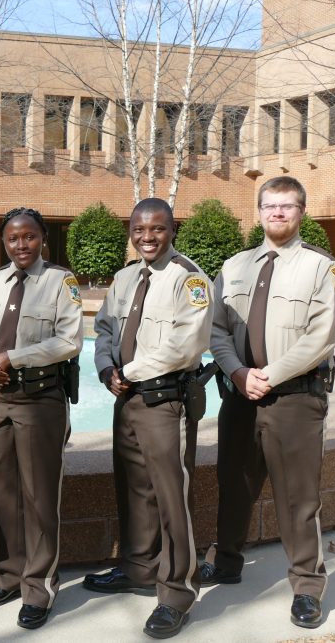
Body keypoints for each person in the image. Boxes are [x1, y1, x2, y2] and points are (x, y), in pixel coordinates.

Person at [200, 176, 335, 629]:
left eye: (287, 206)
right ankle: (226, 562)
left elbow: (322, 336)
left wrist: (269, 375)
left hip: (296, 400)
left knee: (298, 497)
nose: (277, 213)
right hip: (241, 396)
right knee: (234, 483)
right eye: (270, 206)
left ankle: (307, 586)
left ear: (302, 212)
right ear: (258, 211)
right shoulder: (235, 265)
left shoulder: (323, 269)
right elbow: (216, 328)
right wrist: (237, 372)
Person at [85, 198, 212, 639]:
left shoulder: (189, 278)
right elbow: (103, 329)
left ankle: (177, 592)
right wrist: (106, 369)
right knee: (134, 490)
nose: (147, 237)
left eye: (156, 229)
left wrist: (129, 372)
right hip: (127, 400)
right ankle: (139, 569)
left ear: (173, 228)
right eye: (139, 229)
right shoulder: (123, 278)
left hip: (164, 402)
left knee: (171, 498)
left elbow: (187, 344)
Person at [0, 207, 84, 630]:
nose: (21, 245)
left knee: (39, 495)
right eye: (13, 238)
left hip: (39, 399)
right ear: (4, 241)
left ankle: (39, 586)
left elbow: (69, 341)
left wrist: (11, 356)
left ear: (42, 238)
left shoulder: (60, 282)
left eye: (29, 236)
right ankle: (9, 573)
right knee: (2, 491)